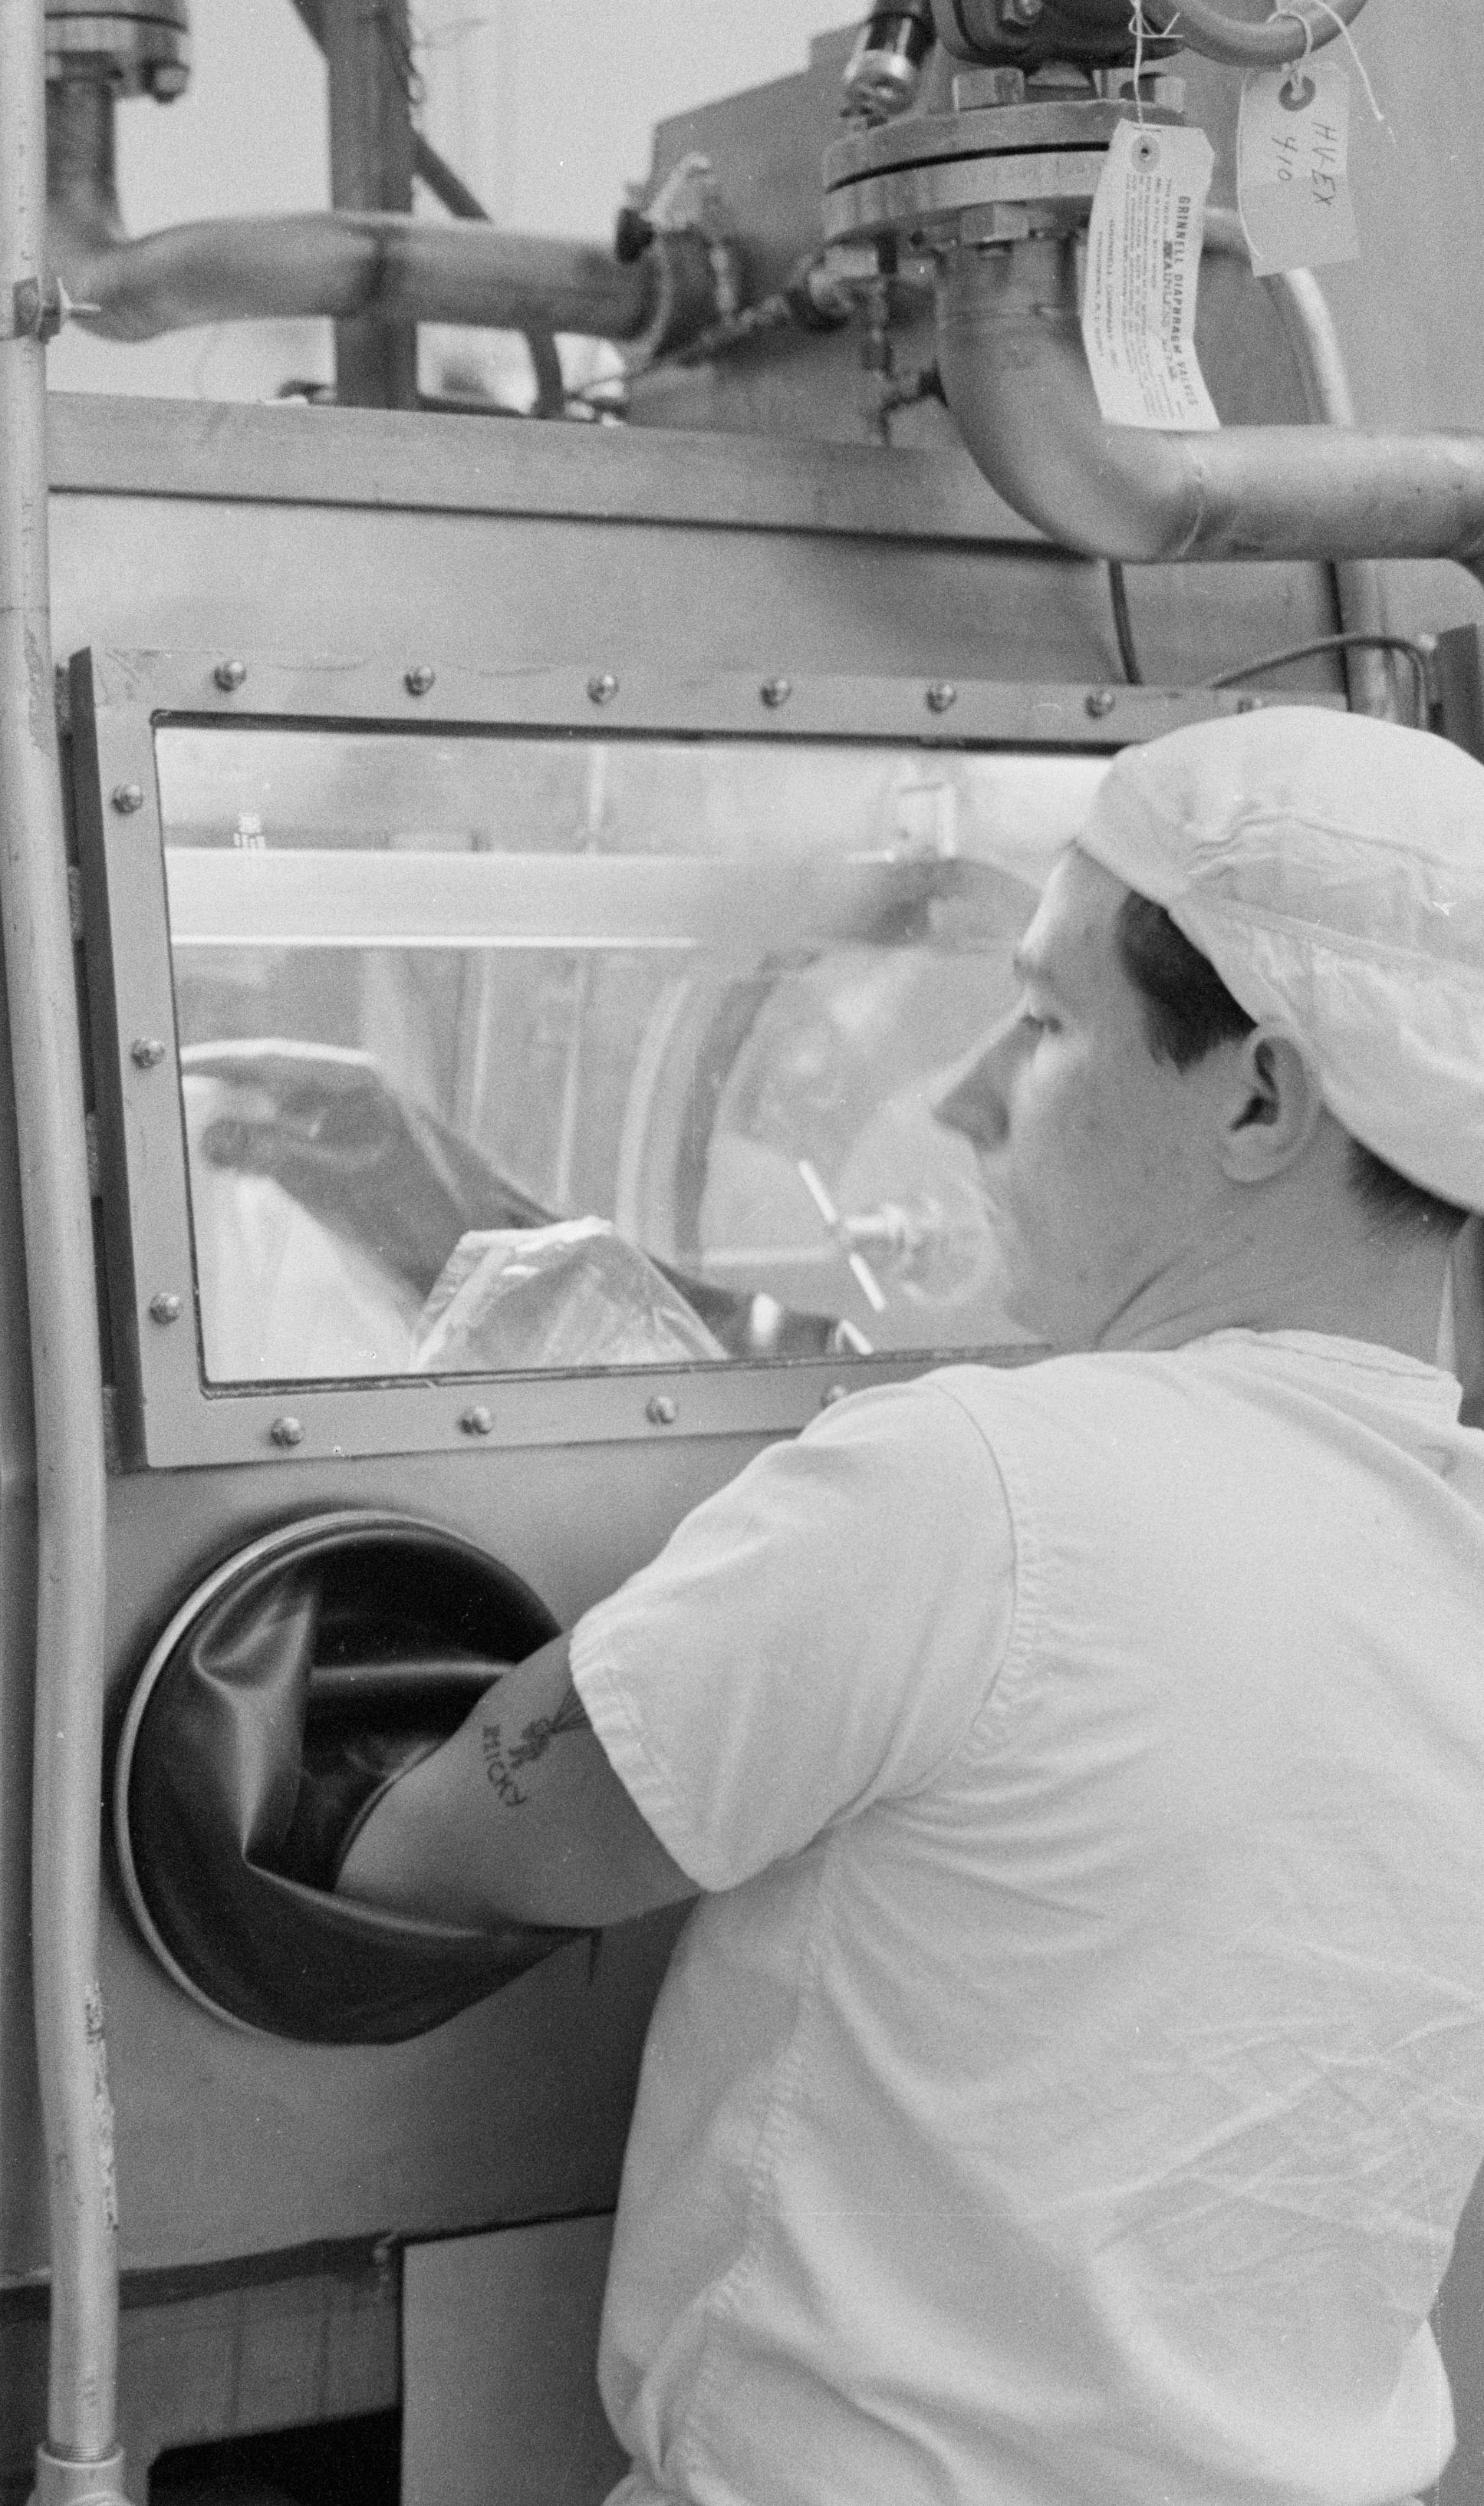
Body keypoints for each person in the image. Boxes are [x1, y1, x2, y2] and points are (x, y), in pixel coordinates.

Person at [329, 705, 1484, 2503]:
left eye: (1037, 1025)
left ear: (1261, 1094)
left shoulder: (982, 1488)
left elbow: (458, 1848)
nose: (957, 1098)